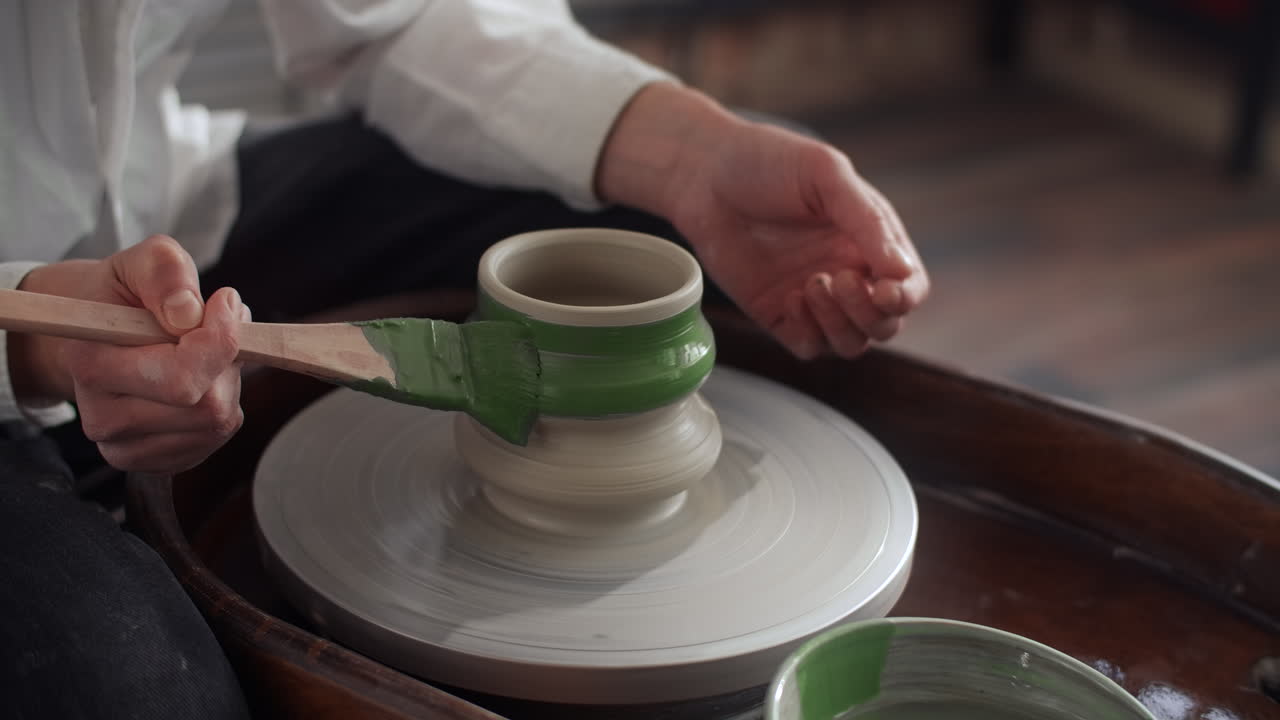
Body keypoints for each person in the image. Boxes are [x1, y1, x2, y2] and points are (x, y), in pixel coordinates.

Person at [0, 1, 929, 717]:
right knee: (131, 683)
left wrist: (695, 157)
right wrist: (37, 344)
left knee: (703, 227)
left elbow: (398, 19)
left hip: (168, 214)